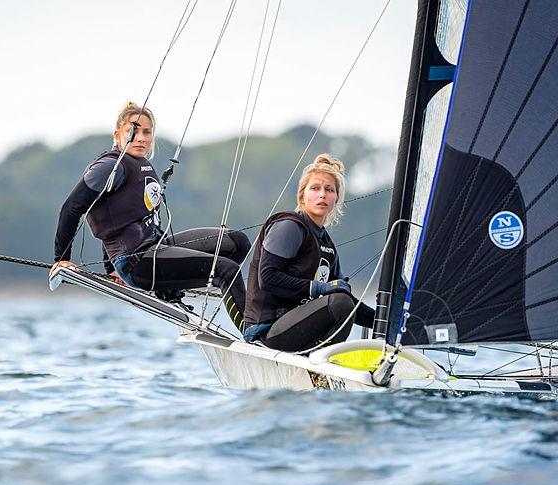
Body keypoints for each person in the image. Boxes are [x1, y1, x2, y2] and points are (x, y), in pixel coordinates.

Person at [51, 101, 250, 331]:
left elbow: (119, 213)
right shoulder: (108, 167)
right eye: (133, 131)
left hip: (155, 247)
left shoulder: (140, 164)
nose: (141, 137)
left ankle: (169, 290)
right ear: (118, 134)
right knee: (226, 270)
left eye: (147, 132)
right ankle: (255, 335)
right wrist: (61, 258)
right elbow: (71, 208)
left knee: (236, 242)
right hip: (137, 261)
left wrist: (110, 269)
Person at [242, 154, 375, 351]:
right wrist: (319, 288)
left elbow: (344, 297)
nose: (322, 195)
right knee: (340, 303)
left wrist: (384, 320)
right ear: (302, 195)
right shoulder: (289, 226)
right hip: (267, 330)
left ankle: (323, 360)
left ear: (336, 198)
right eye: (315, 188)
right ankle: (323, 360)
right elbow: (267, 277)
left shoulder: (327, 245)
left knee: (342, 300)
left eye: (329, 190)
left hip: (297, 326)